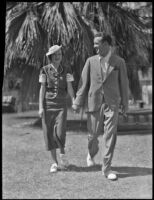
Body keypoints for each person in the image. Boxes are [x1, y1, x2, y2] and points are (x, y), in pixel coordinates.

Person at [72, 33, 129, 180]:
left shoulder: (119, 62)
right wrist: (77, 102)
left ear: (106, 44)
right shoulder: (90, 61)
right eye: (94, 44)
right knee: (92, 136)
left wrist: (125, 105)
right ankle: (91, 153)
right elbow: (83, 83)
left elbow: (124, 84)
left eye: (97, 44)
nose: (94, 47)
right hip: (94, 102)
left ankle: (107, 168)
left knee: (110, 135)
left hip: (112, 103)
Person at [39, 45, 75, 173]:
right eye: (55, 54)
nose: (57, 56)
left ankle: (63, 154)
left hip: (61, 105)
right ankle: (54, 163)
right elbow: (42, 89)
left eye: (59, 53)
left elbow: (70, 87)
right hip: (48, 106)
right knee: (49, 134)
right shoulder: (44, 70)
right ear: (50, 56)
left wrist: (74, 101)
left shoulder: (67, 69)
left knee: (60, 133)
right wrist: (40, 107)